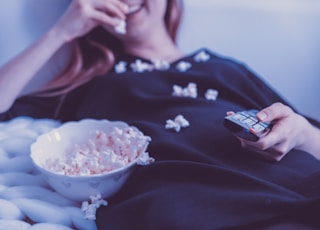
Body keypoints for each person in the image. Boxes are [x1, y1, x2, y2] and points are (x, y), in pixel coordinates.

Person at [0, 0, 320, 229]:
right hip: (192, 197)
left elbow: (312, 139)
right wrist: (61, 32)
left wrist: (302, 132)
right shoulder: (94, 83)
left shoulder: (225, 68)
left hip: (288, 178)